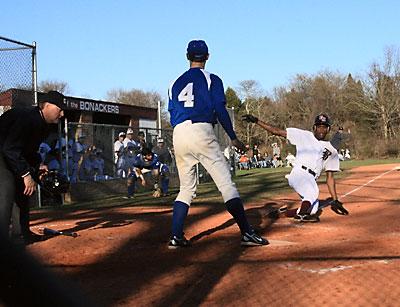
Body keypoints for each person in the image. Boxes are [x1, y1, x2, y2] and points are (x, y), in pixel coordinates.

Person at [167, 39, 268, 248]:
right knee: (226, 184)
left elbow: (171, 114)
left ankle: (176, 236)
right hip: (201, 130)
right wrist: (232, 136)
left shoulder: (174, 82)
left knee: (186, 188)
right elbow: (220, 110)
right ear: (207, 57)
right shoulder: (212, 79)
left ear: (187, 56)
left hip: (178, 132)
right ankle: (247, 233)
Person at [242, 113, 349, 222]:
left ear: (328, 129)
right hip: (299, 173)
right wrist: (257, 121)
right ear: (314, 128)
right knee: (312, 193)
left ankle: (282, 213)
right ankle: (302, 215)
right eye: (319, 126)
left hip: (311, 178)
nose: (321, 129)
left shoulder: (330, 150)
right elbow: (277, 131)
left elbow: (330, 177)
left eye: (324, 127)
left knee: (314, 208)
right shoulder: (304, 135)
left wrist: (335, 200)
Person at [0, 90, 65, 243]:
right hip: (2, 152)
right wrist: (25, 174)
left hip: (9, 153)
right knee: (7, 189)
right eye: (60, 109)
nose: (62, 114)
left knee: (23, 192)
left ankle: (21, 234)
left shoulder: (43, 125)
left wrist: (37, 165)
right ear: (47, 105)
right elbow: (10, 148)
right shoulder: (29, 118)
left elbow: (27, 151)